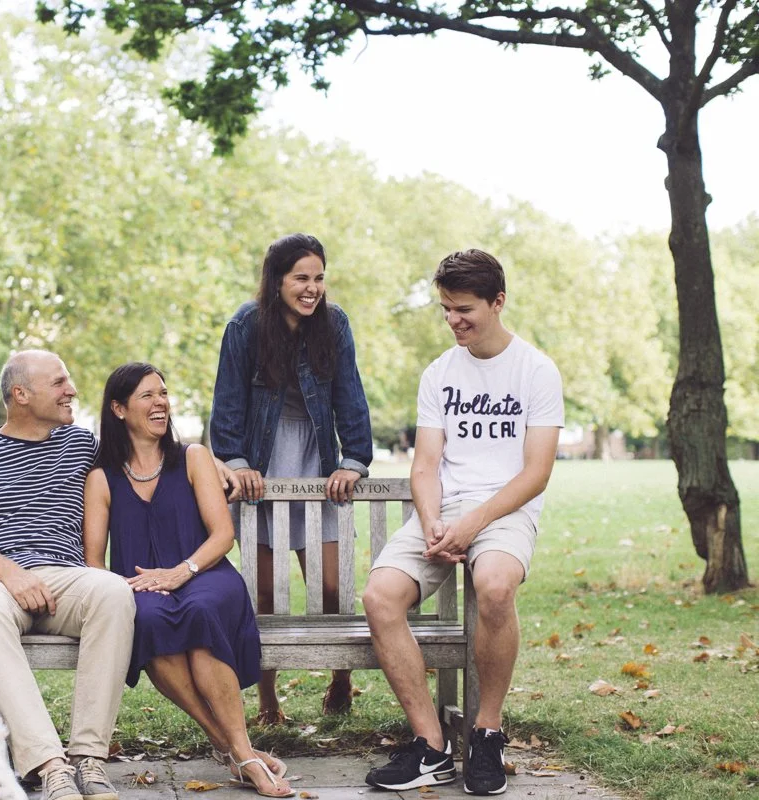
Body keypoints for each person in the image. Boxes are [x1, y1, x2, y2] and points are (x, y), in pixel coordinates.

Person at [362, 249, 564, 796]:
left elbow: (537, 473)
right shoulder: (439, 373)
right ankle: (431, 747)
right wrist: (433, 524)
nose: (454, 320)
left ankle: (487, 733)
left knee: (495, 586)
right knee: (380, 596)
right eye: (446, 309)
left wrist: (473, 523)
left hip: (504, 511)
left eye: (465, 310)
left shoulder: (536, 370)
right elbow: (424, 464)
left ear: (498, 302)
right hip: (443, 514)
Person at [83, 363, 294, 798]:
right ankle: (235, 747)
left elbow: (223, 535)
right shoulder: (102, 478)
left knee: (199, 610)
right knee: (149, 619)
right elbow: (94, 562)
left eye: (163, 393)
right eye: (148, 396)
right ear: (119, 409)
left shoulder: (194, 457)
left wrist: (183, 571)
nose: (161, 402)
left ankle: (240, 754)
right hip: (140, 585)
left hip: (206, 574)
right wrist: (119, 588)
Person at [0, 350, 134, 800]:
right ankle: (49, 764)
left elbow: (150, 452)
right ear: (21, 395)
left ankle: (88, 758)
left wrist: (215, 462)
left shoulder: (82, 444)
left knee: (112, 592)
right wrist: (13, 575)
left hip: (63, 577)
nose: (72, 391)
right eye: (59, 383)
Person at [210, 233, 373, 724]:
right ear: (277, 279)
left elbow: (350, 396)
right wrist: (235, 463)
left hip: (317, 457)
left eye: (319, 277)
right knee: (264, 593)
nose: (312, 288)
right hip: (262, 460)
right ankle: (268, 703)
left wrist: (354, 460)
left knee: (330, 586)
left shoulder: (334, 323)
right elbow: (228, 401)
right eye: (301, 278)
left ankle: (341, 677)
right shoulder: (246, 325)